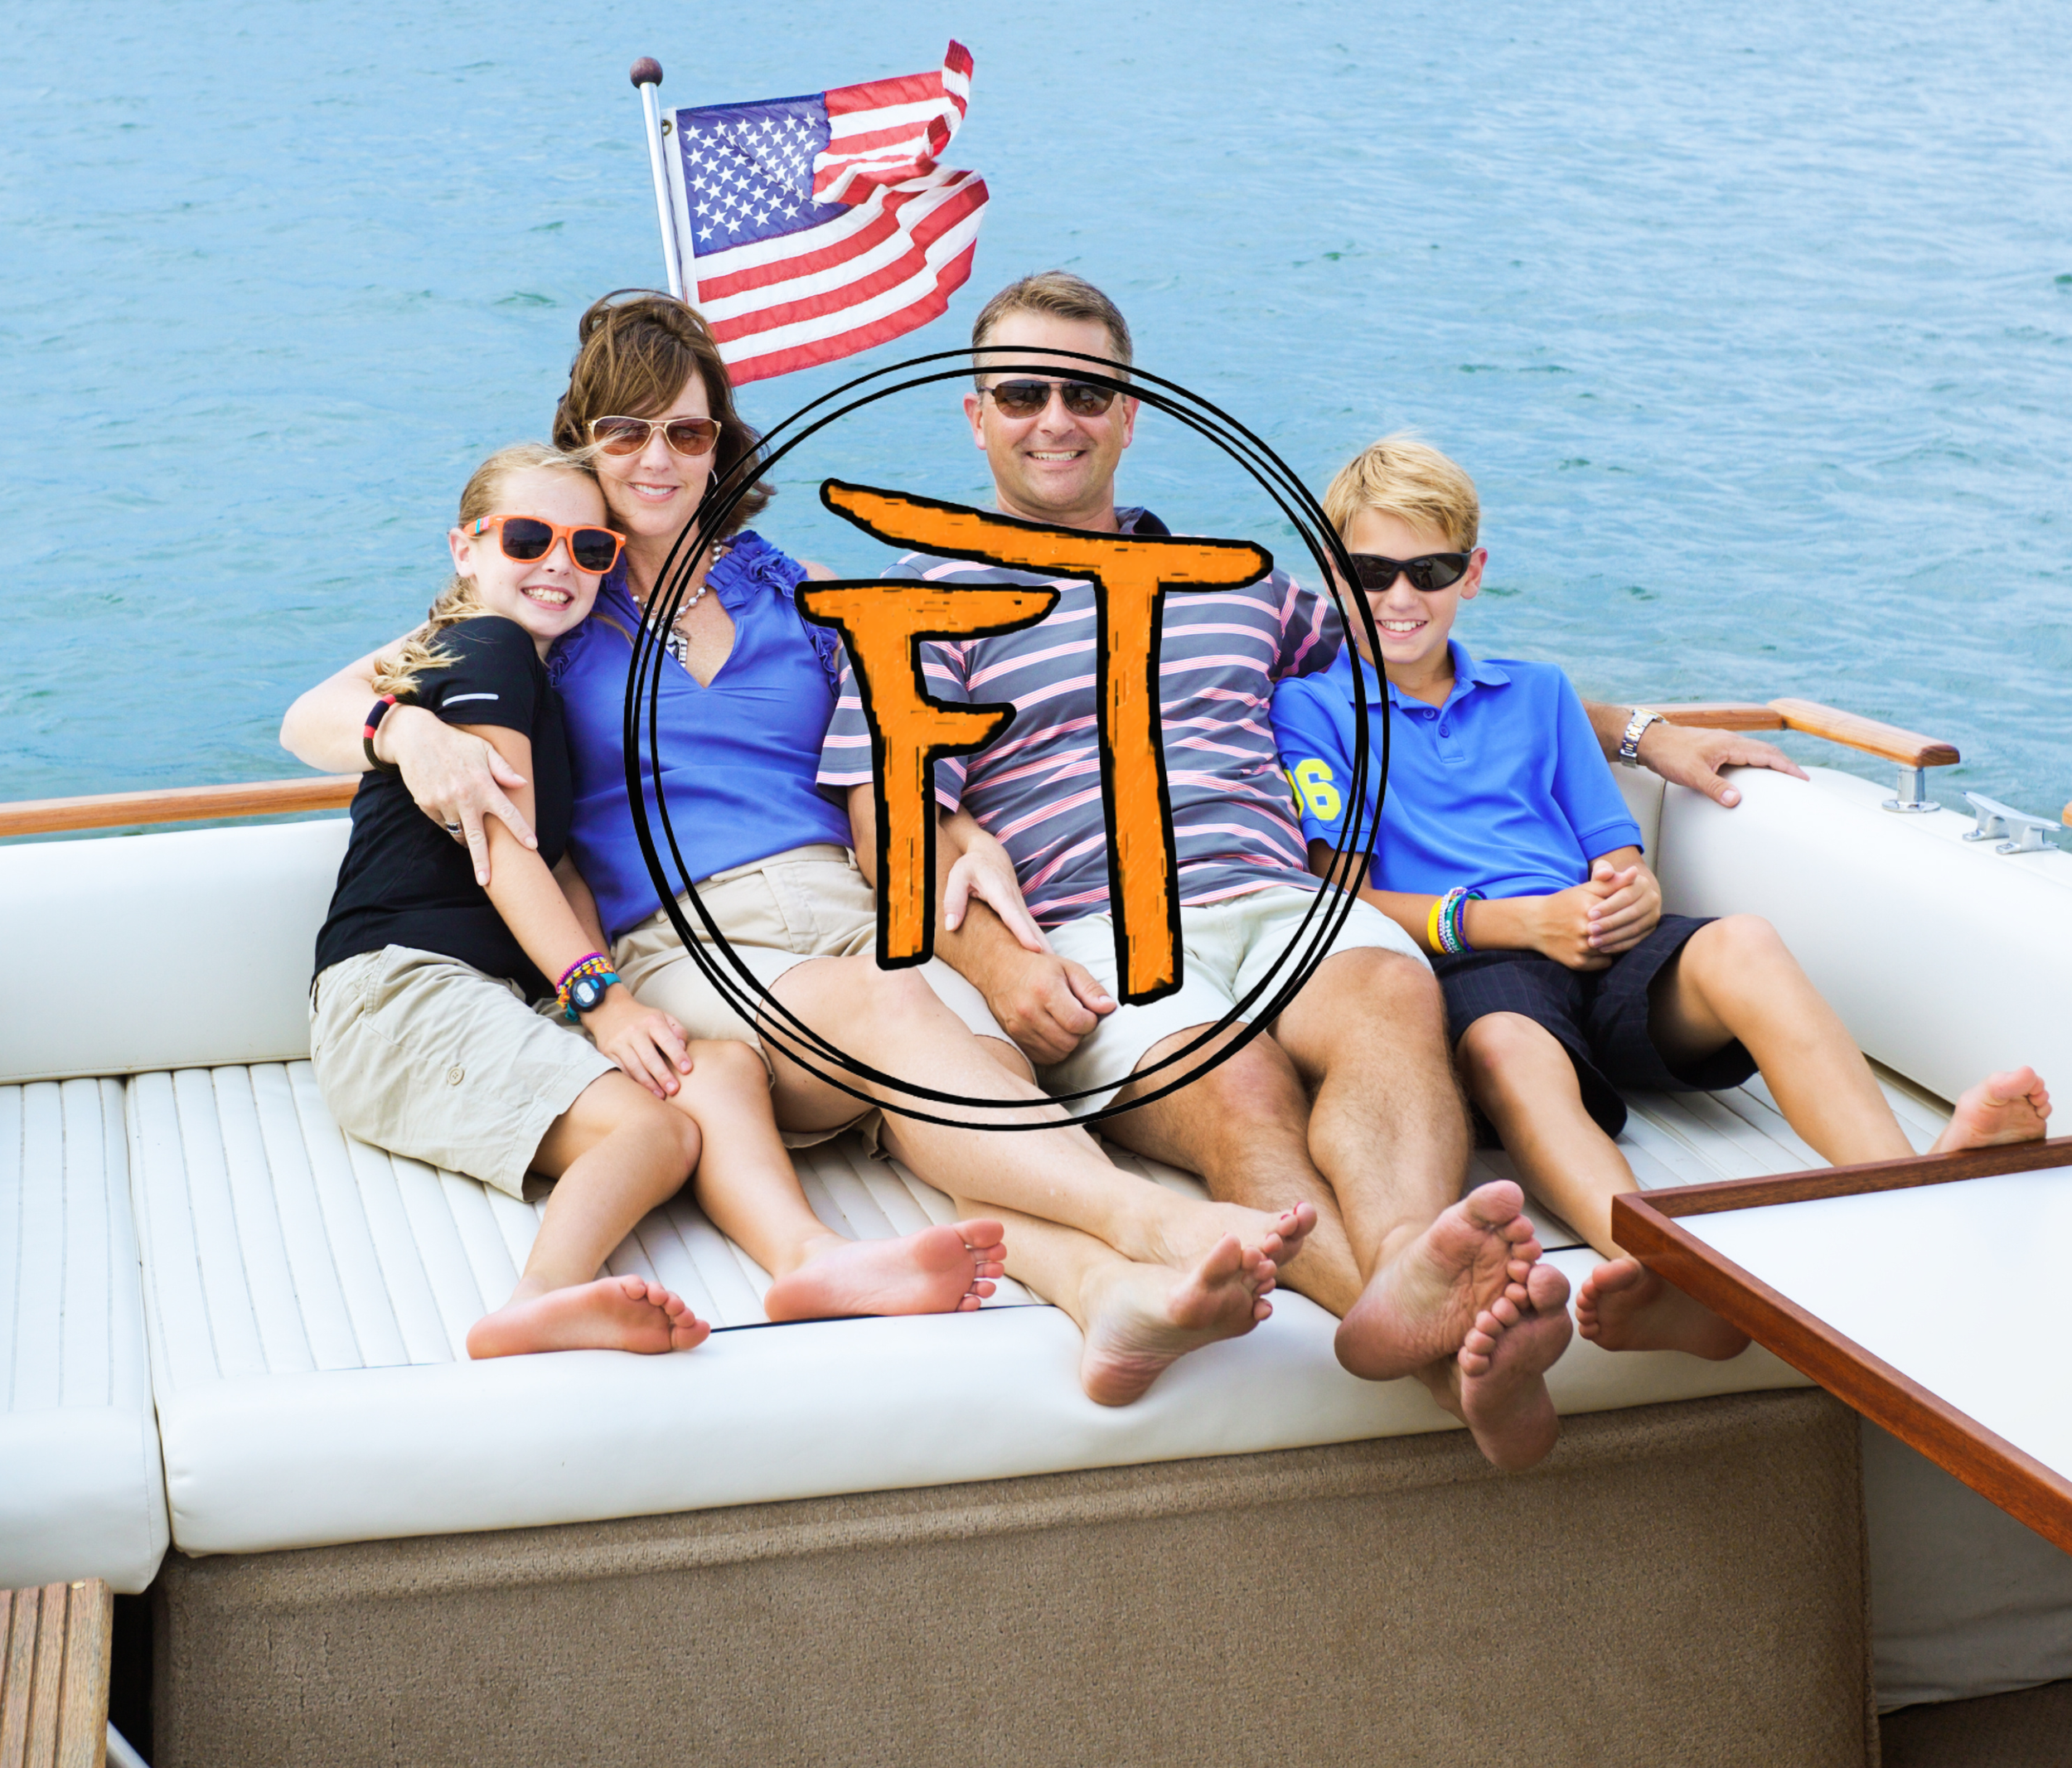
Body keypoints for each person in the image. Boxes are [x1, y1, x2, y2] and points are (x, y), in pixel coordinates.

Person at [818, 270, 1839, 1471]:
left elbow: (1420, 652)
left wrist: (1639, 733)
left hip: (1280, 893)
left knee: (1388, 994)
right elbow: (891, 824)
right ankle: (1439, 1332)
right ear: (976, 415)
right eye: (1024, 392)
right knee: (1242, 1085)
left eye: (1088, 392)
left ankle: (1421, 1268)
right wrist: (996, 966)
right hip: (1101, 928)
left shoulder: (1238, 582)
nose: (1058, 418)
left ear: (1131, 413)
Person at [283, 294, 1313, 1406]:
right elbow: (316, 716)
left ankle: (1100, 1293)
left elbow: (890, 770)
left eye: (687, 431)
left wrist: (959, 837)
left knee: (974, 1072)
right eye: (625, 432)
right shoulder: (552, 588)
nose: (658, 458)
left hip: (846, 914)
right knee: (894, 1018)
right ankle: (1151, 1221)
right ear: (585, 442)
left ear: (722, 445)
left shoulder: (792, 591)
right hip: (687, 936)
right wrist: (409, 730)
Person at [1269, 434, 2055, 1359]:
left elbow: (1613, 843)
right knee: (1505, 1045)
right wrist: (1513, 922)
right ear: (1331, 570)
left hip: (1592, 941)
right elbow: (1340, 888)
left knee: (1744, 942)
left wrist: (1628, 889)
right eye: (1371, 570)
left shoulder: (1538, 693)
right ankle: (1673, 1268)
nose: (1400, 597)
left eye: (1429, 569)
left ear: (1471, 573)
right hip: (1471, 959)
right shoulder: (1312, 712)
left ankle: (1903, 1191)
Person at [306, 441, 1013, 1362]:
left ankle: (810, 1256)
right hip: (402, 993)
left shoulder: (534, 680)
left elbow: (558, 865)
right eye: (527, 539)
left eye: (590, 549)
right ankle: (537, 1299)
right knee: (653, 1129)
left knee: (708, 1072)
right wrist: (606, 998)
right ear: (465, 548)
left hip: (498, 994)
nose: (559, 563)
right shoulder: (486, 648)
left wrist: (592, 997)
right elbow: (507, 857)